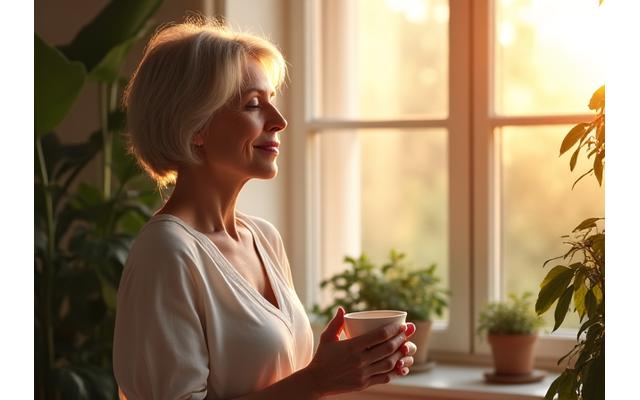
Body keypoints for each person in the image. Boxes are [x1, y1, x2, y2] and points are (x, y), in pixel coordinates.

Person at [112, 17, 417, 400]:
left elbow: (280, 384)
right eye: (253, 105)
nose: (279, 121)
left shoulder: (264, 238)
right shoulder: (167, 252)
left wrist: (349, 365)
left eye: (271, 101)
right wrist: (319, 380)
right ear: (195, 127)